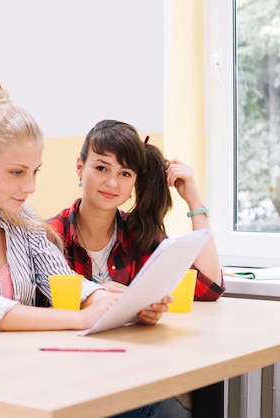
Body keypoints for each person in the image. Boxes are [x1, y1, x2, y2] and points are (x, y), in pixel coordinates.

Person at [0, 82, 171, 334]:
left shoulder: (23, 218)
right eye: (17, 172)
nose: (30, 186)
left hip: (21, 368)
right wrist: (80, 318)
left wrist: (120, 303)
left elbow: (62, 281)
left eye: (34, 172)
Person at [48, 119, 226, 417]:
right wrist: (98, 297)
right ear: (80, 168)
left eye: (125, 173)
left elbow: (208, 286)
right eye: (101, 168)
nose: (112, 183)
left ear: (134, 183)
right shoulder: (52, 235)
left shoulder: (141, 234)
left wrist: (193, 198)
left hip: (130, 376)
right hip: (69, 381)